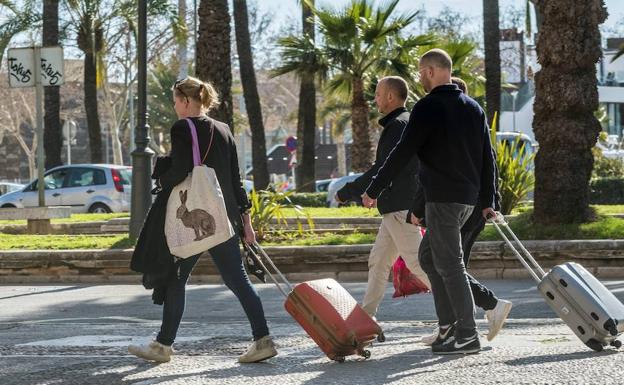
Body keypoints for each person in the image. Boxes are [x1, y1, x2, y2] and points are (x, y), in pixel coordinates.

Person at [128, 76, 277, 364]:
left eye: (175, 102)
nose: (174, 108)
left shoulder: (183, 127)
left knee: (176, 278)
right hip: (223, 217)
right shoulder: (224, 129)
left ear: (185, 101)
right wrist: (246, 221)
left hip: (194, 221)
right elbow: (236, 180)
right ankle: (263, 339)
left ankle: (162, 346)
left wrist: (161, 174)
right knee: (238, 280)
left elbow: (182, 169)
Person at [362, 49, 497, 355]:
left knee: (450, 264)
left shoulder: (427, 107)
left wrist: (374, 189)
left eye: (422, 72)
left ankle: (467, 333)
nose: (420, 78)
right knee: (427, 257)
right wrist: (488, 199)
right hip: (466, 200)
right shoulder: (473, 107)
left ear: (433, 71)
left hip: (443, 199)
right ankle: (448, 328)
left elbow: (402, 152)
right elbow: (487, 158)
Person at [417, 77, 512, 345]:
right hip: (472, 206)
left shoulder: (459, 124)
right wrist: (490, 200)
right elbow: (489, 163)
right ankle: (453, 325)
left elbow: (483, 164)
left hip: (464, 208)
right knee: (439, 260)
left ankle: (475, 319)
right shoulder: (468, 119)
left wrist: (489, 202)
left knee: (449, 265)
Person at [335, 76, 430, 318]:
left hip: (400, 208)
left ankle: (464, 312)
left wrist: (349, 191)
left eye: (377, 95)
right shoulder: (407, 122)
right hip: (396, 207)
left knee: (419, 265)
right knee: (378, 261)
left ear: (390, 96)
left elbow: (384, 167)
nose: (375, 100)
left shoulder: (397, 125)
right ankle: (366, 317)